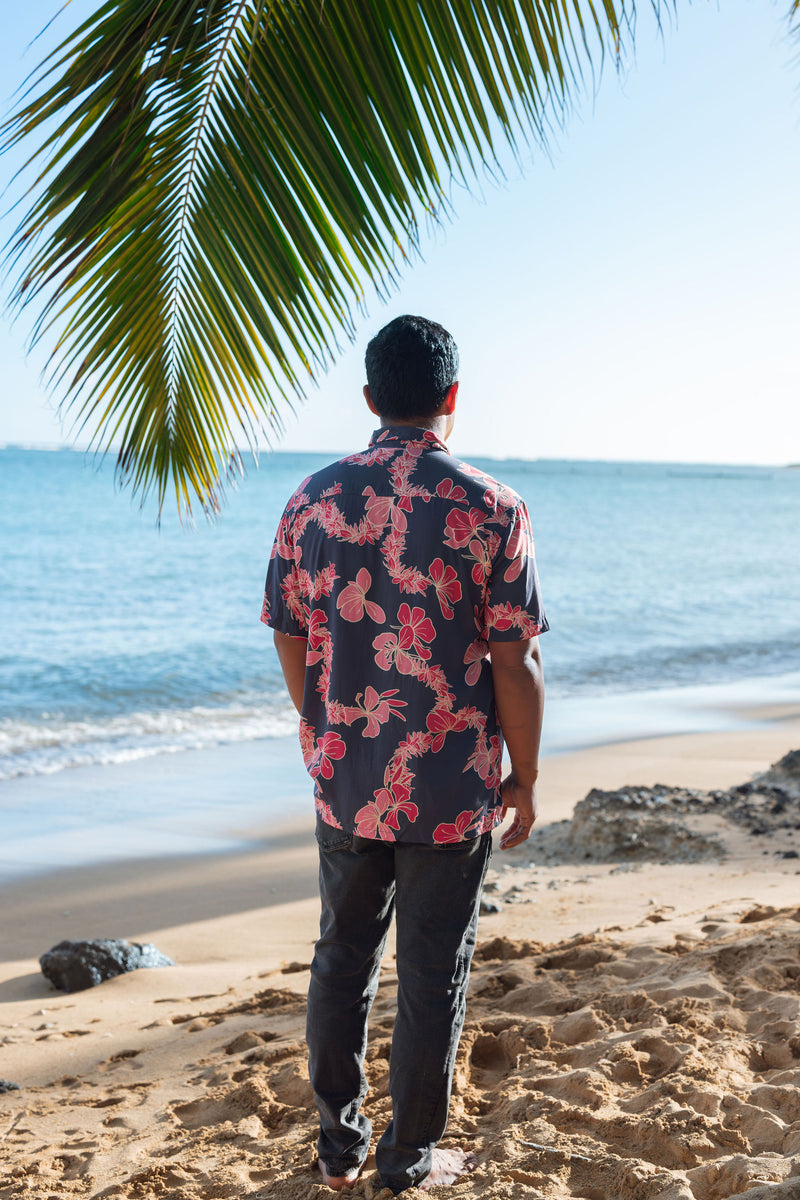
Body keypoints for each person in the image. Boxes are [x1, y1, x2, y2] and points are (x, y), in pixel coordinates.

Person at [262, 315, 547, 1193]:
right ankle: (408, 1160)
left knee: (340, 958)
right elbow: (516, 660)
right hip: (450, 784)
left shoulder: (311, 497)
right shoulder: (492, 506)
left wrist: (322, 724)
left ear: (369, 398)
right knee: (433, 973)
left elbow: (287, 628)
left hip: (345, 779)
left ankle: (338, 1148)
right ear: (452, 399)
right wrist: (525, 779)